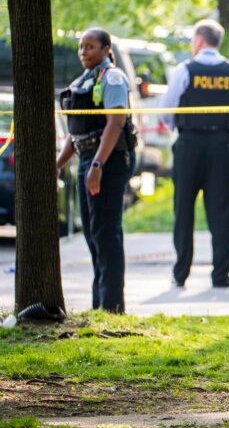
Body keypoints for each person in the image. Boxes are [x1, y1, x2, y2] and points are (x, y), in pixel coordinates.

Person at [161, 19, 229, 288]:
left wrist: (179, 129)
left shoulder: (185, 69)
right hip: (220, 145)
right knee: (222, 210)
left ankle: (181, 273)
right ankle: (221, 274)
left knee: (183, 209)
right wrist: (223, 128)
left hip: (189, 145)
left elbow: (167, 107)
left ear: (199, 40)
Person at [56, 28, 136, 313]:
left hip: (108, 160)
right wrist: (57, 165)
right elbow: (76, 134)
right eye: (80, 47)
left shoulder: (112, 78)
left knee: (105, 231)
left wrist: (98, 165)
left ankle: (113, 306)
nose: (83, 52)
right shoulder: (84, 80)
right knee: (92, 231)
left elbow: (114, 125)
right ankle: (99, 303)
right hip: (87, 158)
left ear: (105, 49)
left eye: (90, 47)